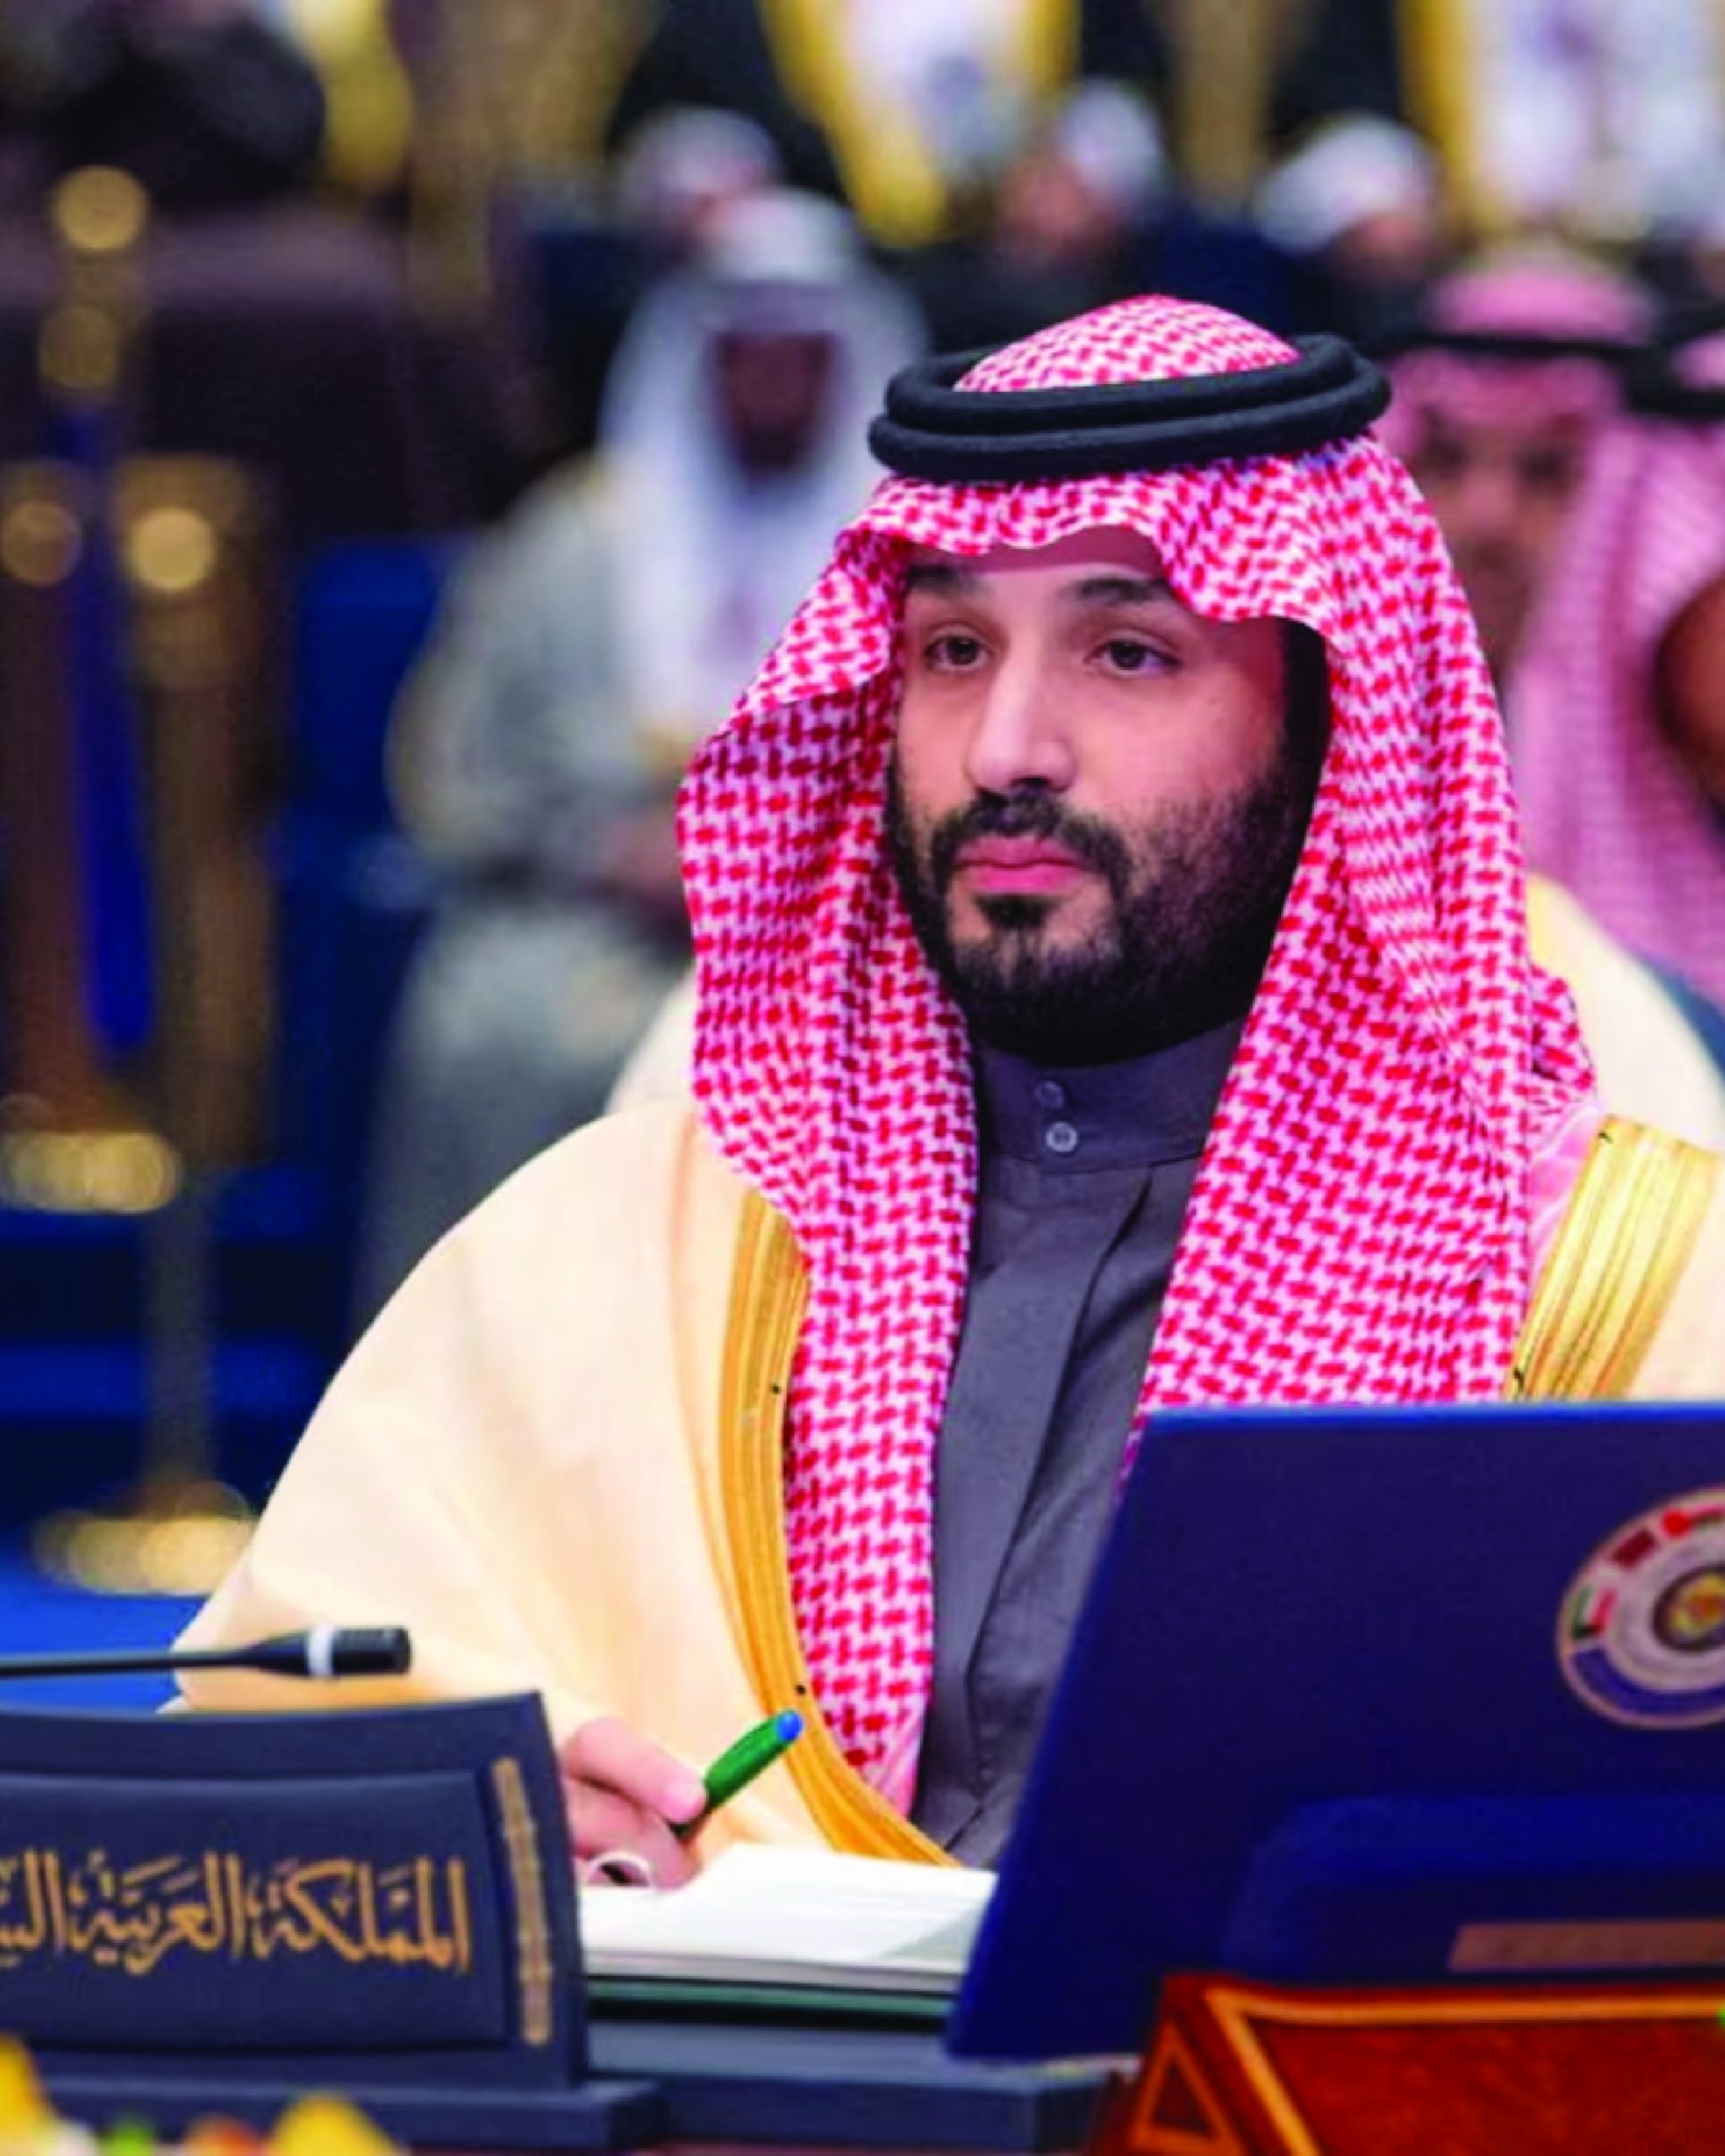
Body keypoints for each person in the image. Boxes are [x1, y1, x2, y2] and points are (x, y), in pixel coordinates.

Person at [179, 295, 1725, 1891]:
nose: (1004, 746)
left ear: (1335, 725)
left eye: (1128, 652)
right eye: (952, 650)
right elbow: (261, 1758)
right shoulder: (621, 1244)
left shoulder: (1617, 1287)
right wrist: (447, 1822)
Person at [358, 188, 922, 1310]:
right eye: (745, 357)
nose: (771, 385)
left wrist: (775, 864)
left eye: (800, 359)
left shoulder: (917, 551)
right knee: (491, 1034)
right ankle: (492, 1374)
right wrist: (598, 851)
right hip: (581, 913)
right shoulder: (576, 537)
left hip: (835, 920)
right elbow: (453, 767)